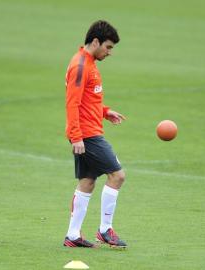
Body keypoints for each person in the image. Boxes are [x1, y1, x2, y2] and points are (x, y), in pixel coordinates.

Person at [63, 20, 127, 248]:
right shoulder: (81, 65)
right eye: (108, 47)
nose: (109, 53)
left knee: (88, 181)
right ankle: (105, 230)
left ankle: (72, 235)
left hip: (88, 130)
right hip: (87, 135)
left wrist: (105, 112)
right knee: (118, 175)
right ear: (96, 41)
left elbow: (86, 101)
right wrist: (77, 136)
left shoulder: (88, 62)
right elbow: (72, 103)